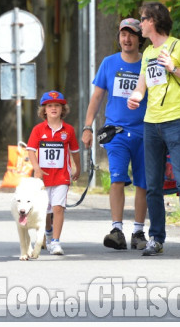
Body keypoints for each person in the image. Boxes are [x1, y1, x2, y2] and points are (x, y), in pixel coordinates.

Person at [127, 2, 180, 257]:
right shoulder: (149, 53)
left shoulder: (178, 47)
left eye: (142, 19)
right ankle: (156, 238)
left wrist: (174, 68)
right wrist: (135, 97)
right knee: (153, 184)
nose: (139, 24)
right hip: (151, 123)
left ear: (153, 20)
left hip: (176, 120)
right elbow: (142, 86)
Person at [82, 18, 148, 251]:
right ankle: (117, 229)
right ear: (118, 37)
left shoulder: (148, 64)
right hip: (116, 131)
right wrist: (88, 127)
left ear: (140, 39)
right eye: (123, 34)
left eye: (131, 35)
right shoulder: (109, 63)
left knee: (143, 183)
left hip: (145, 131)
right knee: (117, 178)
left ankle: (139, 232)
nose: (127, 39)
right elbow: (97, 97)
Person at [26, 91, 81, 256]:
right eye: (50, 106)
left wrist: (77, 167)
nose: (53, 108)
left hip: (62, 176)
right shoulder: (38, 130)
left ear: (63, 109)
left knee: (58, 208)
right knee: (45, 211)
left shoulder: (69, 130)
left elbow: (75, 151)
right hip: (43, 178)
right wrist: (36, 168)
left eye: (57, 105)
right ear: (44, 110)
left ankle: (56, 241)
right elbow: (30, 150)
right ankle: (48, 233)